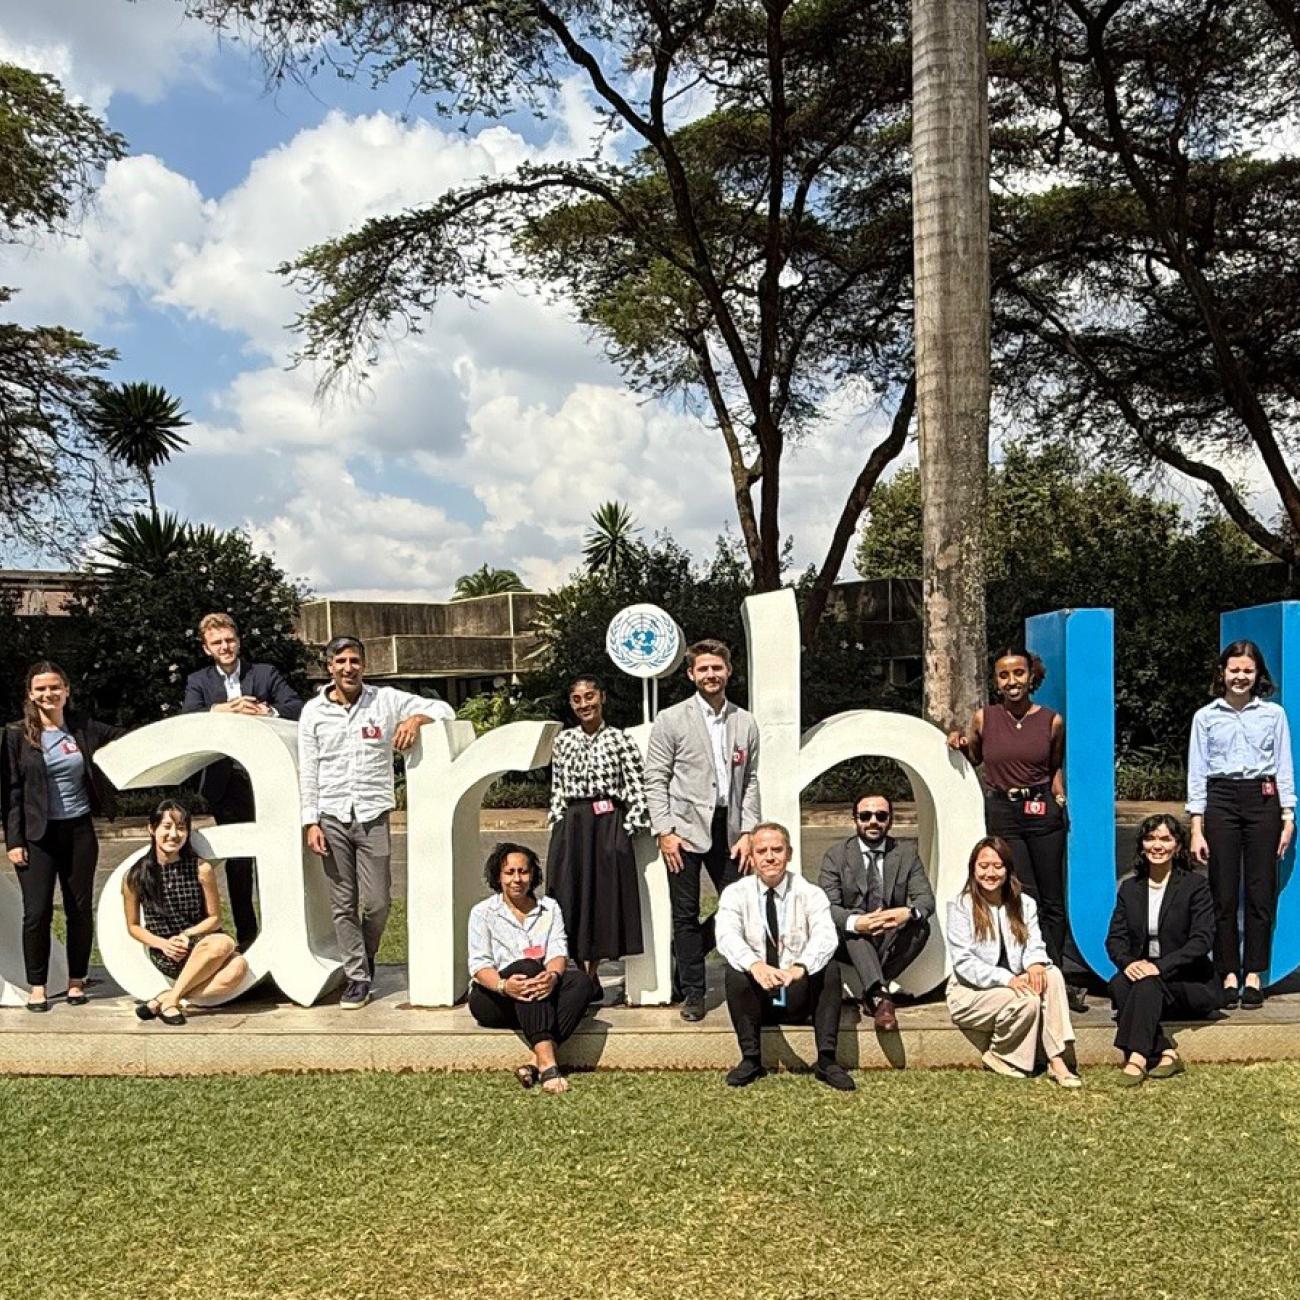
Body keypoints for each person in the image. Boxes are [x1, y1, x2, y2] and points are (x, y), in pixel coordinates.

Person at [298, 635, 454, 1010]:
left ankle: (364, 956)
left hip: (372, 815)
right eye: (341, 662)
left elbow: (445, 709)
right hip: (331, 816)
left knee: (379, 902)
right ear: (329, 668)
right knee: (342, 903)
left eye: (355, 660)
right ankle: (356, 977)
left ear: (363, 665)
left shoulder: (385, 701)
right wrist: (310, 822)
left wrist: (416, 719)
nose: (348, 668)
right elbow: (308, 770)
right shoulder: (313, 712)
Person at [947, 647, 1087, 1013]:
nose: (1012, 682)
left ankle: (1056, 976)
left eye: (1019, 674)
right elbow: (975, 758)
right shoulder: (984, 718)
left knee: (1053, 898)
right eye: (1004, 675)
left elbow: (1054, 766)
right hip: (1003, 811)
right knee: (1024, 893)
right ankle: (1024, 971)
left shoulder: (1052, 721)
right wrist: (957, 740)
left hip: (1042, 811)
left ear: (1031, 676)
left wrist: (1059, 797)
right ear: (996, 681)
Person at [645, 638, 761, 1022]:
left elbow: (752, 780)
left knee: (737, 905)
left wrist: (748, 830)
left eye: (717, 668)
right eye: (703, 669)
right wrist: (664, 830)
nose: (711, 675)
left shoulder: (744, 721)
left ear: (728, 671)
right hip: (684, 829)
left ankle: (693, 957)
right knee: (685, 913)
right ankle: (694, 992)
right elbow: (655, 778)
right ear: (692, 674)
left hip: (729, 829)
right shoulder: (671, 719)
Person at [1, 661, 125, 1012]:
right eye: (40, 688)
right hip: (37, 836)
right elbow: (11, 792)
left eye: (55, 687)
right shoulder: (15, 735)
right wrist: (14, 841)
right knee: (36, 912)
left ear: (67, 690)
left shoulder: (82, 727)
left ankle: (76, 981)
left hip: (79, 831)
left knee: (79, 909)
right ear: (30, 694)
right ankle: (37, 986)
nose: (48, 694)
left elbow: (123, 737)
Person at [181, 611, 304, 950]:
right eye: (217, 642)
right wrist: (220, 710)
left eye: (229, 640)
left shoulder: (264, 674)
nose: (225, 647)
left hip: (268, 777)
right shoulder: (199, 681)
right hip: (227, 781)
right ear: (207, 648)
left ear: (239, 640)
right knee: (239, 861)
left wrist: (267, 712)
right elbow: (187, 719)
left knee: (275, 856)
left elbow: (296, 705)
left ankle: (282, 932)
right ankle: (249, 937)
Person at [1187, 639, 1295, 1009]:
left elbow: (1283, 765)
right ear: (1223, 672)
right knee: (1224, 891)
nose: (1240, 677)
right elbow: (1197, 771)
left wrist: (1288, 814)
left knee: (1261, 890)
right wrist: (1196, 824)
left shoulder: (1273, 715)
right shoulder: (1205, 716)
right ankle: (1228, 972)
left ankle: (1254, 975)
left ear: (1258, 675)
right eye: (1234, 670)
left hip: (1263, 801)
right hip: (1220, 799)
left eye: (1248, 671)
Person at [715, 822, 851, 1089]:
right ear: (751, 857)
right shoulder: (735, 894)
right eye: (762, 850)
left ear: (789, 853)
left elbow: (826, 935)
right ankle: (751, 1059)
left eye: (777, 849)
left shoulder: (810, 893)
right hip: (759, 995)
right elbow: (726, 935)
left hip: (796, 991)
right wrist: (755, 965)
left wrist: (799, 968)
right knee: (735, 971)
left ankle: (826, 1060)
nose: (769, 857)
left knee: (830, 969)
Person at [945, 836, 1081, 1086]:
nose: (990, 873)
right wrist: (1007, 979)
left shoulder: (1024, 904)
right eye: (983, 866)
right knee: (1027, 999)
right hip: (971, 992)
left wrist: (1035, 963)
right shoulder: (960, 906)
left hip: (1017, 983)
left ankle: (1057, 1058)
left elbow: (1035, 944)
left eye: (998, 866)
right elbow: (964, 962)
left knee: (1052, 975)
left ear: (1008, 870)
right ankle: (1001, 1055)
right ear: (973, 869)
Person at [546, 673, 648, 1004]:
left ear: (601, 697)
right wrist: (558, 823)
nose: (584, 704)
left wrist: (627, 827)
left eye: (590, 696)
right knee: (569, 894)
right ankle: (584, 974)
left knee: (605, 897)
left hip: (608, 824)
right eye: (577, 699)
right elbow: (557, 787)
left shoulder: (620, 740)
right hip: (574, 824)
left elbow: (636, 786)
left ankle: (595, 970)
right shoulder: (563, 741)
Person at [467, 842, 593, 1094]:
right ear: (498, 877)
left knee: (580, 981)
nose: (517, 879)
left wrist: (553, 977)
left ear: (533, 874)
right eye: (509, 872)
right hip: (495, 997)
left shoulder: (550, 909)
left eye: (523, 872)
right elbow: (479, 964)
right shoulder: (483, 913)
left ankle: (536, 1062)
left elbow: (558, 951)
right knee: (527, 966)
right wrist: (504, 986)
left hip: (540, 994)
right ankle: (549, 1065)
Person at [1106, 814, 1219, 1086]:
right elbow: (1115, 939)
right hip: (1148, 974)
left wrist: (1159, 967)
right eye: (1150, 838)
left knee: (1146, 985)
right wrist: (1128, 963)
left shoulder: (1196, 886)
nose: (1157, 846)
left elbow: (1202, 940)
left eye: (1165, 839)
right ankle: (1166, 1051)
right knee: (1118, 984)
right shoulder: (1130, 888)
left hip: (1189, 981)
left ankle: (1137, 1058)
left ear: (1178, 846)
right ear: (1142, 845)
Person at [123, 799, 249, 1025]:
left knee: (234, 960)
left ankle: (169, 998)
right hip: (167, 952)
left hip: (203, 945)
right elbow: (133, 926)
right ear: (152, 829)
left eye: (181, 828)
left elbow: (215, 918)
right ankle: (175, 999)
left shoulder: (201, 868)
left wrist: (188, 935)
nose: (174, 834)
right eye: (167, 827)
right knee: (225, 950)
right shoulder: (135, 876)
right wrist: (163, 944)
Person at [818, 791, 934, 1031]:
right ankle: (881, 999)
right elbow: (826, 906)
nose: (873, 821)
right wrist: (857, 922)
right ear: (855, 819)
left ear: (890, 820)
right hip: (851, 941)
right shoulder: (836, 856)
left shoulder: (905, 853)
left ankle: (873, 990)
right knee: (854, 931)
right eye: (865, 815)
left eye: (881, 816)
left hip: (890, 934)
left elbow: (925, 899)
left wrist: (906, 913)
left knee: (921, 926)